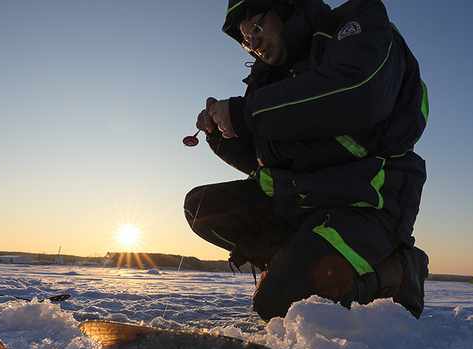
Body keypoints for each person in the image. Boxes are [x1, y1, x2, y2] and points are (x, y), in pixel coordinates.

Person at [184, 0, 430, 321]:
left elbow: (358, 91)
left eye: (256, 28)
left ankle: (398, 270)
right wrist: (220, 132)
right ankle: (291, 261)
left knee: (278, 306)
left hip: (368, 200)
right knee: (201, 208)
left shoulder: (356, 28)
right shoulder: (272, 83)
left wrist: (245, 113)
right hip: (303, 200)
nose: (253, 43)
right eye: (245, 39)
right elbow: (265, 163)